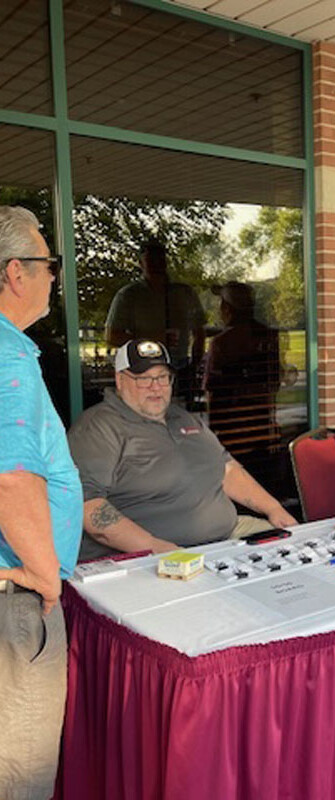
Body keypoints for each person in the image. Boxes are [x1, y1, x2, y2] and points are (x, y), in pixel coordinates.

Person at [68, 339, 297, 562]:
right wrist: (154, 547)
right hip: (152, 554)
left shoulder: (182, 417)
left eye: (162, 377)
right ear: (120, 380)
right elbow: (88, 505)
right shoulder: (97, 428)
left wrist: (273, 508)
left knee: (297, 550)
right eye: (143, 379)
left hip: (229, 534)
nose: (155, 387)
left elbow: (226, 470)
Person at [0, 207, 83, 799]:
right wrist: (43, 577)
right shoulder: (6, 360)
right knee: (21, 774)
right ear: (14, 273)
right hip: (17, 599)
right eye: (48, 263)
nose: (55, 275)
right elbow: (10, 476)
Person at [105, 239, 206, 372]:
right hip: (143, 365)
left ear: (166, 263)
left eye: (160, 259)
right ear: (141, 264)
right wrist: (152, 340)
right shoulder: (129, 295)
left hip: (181, 366)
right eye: (151, 260)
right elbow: (111, 337)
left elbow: (199, 332)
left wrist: (194, 366)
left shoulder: (185, 293)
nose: (157, 264)